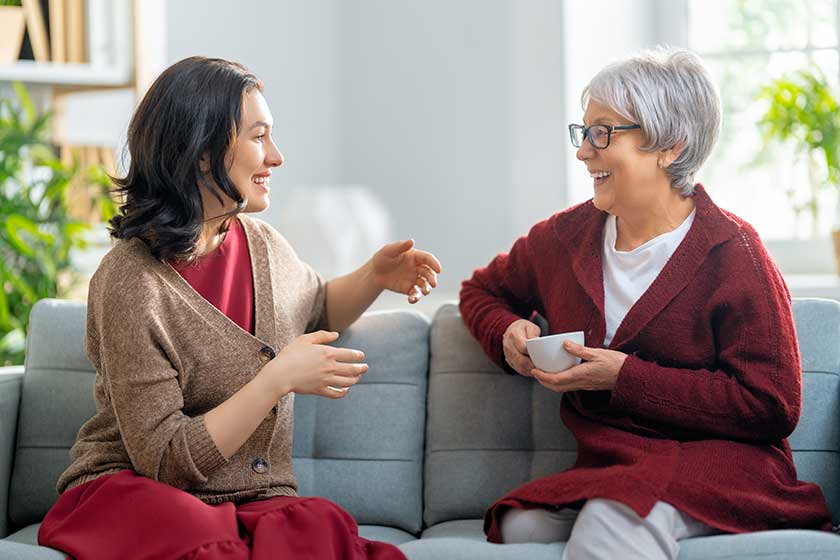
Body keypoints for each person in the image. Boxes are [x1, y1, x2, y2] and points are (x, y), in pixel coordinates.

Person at [37, 56, 441, 560]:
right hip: (129, 492)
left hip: (246, 498)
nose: (277, 157)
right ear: (203, 154)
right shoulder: (130, 282)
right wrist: (276, 378)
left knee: (321, 528)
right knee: (207, 542)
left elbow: (316, 307)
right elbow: (165, 461)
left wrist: (375, 277)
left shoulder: (262, 245)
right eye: (259, 137)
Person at [459, 47, 832, 560]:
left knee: (617, 518)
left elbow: (771, 404)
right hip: (617, 463)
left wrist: (624, 377)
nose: (583, 152)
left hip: (720, 468)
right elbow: (480, 291)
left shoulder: (734, 253)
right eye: (583, 132)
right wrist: (506, 331)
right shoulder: (564, 239)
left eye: (603, 133)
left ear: (670, 146)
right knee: (519, 526)